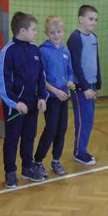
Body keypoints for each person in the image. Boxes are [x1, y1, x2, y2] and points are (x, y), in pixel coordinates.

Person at [0, 11, 47, 187]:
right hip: (15, 106)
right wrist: (15, 103)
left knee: (29, 137)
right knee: (12, 139)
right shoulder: (8, 51)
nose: (36, 33)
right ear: (23, 31)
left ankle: (27, 168)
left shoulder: (35, 50)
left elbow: (41, 76)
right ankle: (10, 172)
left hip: (33, 104)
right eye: (34, 29)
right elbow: (3, 82)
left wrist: (42, 97)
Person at [34, 16, 75, 177]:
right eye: (52, 33)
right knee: (51, 129)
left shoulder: (66, 51)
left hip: (63, 96)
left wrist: (70, 82)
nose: (56, 35)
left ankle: (56, 160)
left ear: (63, 31)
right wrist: (55, 91)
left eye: (59, 32)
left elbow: (70, 72)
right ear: (46, 33)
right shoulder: (43, 51)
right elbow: (41, 78)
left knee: (62, 129)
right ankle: (38, 161)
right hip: (51, 97)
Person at [67, 5, 101, 165]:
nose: (94, 22)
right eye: (90, 18)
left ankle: (82, 149)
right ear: (81, 19)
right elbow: (76, 65)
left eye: (96, 19)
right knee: (83, 120)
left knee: (89, 120)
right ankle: (79, 152)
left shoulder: (94, 37)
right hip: (81, 87)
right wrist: (85, 87)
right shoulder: (75, 37)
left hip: (91, 85)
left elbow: (96, 60)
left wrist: (98, 82)